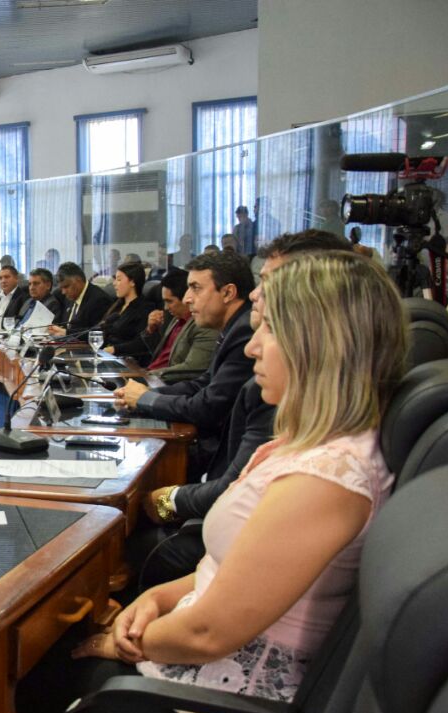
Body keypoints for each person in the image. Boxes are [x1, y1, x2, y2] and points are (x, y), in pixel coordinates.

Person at [8, 251, 406, 713]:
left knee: (24, 687)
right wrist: (153, 598)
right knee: (44, 668)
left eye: (268, 329)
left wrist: (124, 638)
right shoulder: (307, 444)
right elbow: (225, 567)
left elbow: (208, 632)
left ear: (319, 341)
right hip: (203, 670)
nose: (250, 346)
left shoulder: (329, 479)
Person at [138, 230, 357, 586]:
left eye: (269, 282)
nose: (253, 292)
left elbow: (233, 490)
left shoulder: (294, 399)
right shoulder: (265, 353)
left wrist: (166, 500)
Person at [114, 252, 256, 467]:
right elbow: (203, 383)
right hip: (210, 450)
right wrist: (145, 394)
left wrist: (145, 399)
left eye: (196, 288)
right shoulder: (233, 327)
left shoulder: (245, 331)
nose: (187, 297)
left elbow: (208, 407)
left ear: (228, 292)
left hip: (218, 462)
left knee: (143, 479)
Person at [107, 268, 217, 384]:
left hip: (165, 383)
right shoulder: (176, 319)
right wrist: (151, 331)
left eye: (169, 301)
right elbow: (160, 355)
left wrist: (147, 376)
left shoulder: (203, 325)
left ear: (185, 298)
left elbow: (192, 368)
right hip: (151, 376)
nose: (165, 307)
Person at [47, 262, 112, 337]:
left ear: (78, 280)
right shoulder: (69, 295)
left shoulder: (99, 300)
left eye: (66, 287)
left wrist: (66, 332)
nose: (63, 292)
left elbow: (97, 333)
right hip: (65, 342)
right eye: (61, 288)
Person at [96, 261, 151, 349]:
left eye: (119, 279)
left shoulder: (144, 308)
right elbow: (99, 329)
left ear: (132, 282)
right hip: (105, 354)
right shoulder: (118, 305)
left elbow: (141, 343)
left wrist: (114, 350)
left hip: (125, 359)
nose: (114, 283)